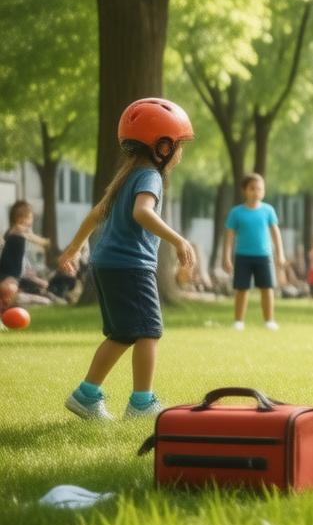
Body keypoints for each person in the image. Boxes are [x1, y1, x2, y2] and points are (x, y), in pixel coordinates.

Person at [56, 98, 197, 421]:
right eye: (178, 144)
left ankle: (86, 395)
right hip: (131, 264)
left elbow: (96, 214)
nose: (180, 153)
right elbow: (142, 212)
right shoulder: (150, 177)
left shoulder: (127, 174)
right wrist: (177, 239)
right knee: (149, 330)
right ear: (162, 146)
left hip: (107, 263)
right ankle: (142, 404)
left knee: (122, 332)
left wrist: (74, 249)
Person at [222, 173, 285, 330]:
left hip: (264, 256)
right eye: (252, 188)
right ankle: (238, 321)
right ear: (244, 190)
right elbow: (229, 236)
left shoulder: (268, 210)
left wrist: (280, 254)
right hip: (243, 256)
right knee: (242, 289)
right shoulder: (236, 212)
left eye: (259, 188)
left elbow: (275, 233)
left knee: (267, 288)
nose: (256, 191)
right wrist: (226, 257)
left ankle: (269, 320)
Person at [1, 201, 58, 301]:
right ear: (22, 217)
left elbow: (22, 257)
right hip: (10, 275)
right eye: (30, 217)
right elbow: (33, 237)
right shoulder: (18, 229)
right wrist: (46, 242)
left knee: (43, 285)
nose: (31, 221)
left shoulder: (11, 232)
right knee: (12, 292)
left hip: (16, 274)